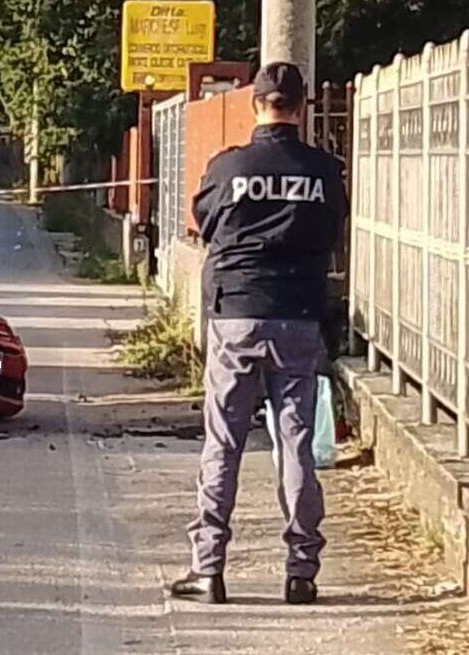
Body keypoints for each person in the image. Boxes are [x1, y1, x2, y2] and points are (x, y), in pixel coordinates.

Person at [170, 62, 347, 606]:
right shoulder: (324, 172)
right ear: (302, 106)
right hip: (297, 316)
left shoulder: (229, 168)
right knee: (294, 442)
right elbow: (333, 232)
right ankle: (300, 572)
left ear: (256, 105)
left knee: (224, 441)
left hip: (236, 315)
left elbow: (206, 224)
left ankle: (209, 570)